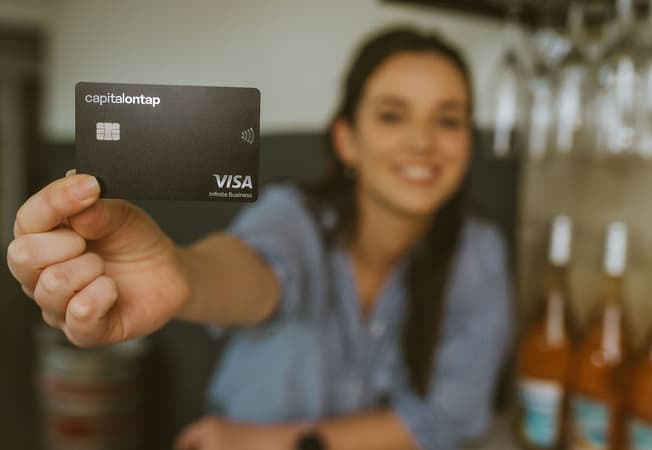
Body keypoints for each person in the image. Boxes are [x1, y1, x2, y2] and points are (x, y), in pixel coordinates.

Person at [7, 26, 513, 450]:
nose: (423, 142)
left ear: (468, 142)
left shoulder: (478, 254)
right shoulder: (292, 217)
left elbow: (448, 416)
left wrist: (270, 440)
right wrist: (183, 276)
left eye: (448, 119)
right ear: (347, 140)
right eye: (392, 115)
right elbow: (254, 271)